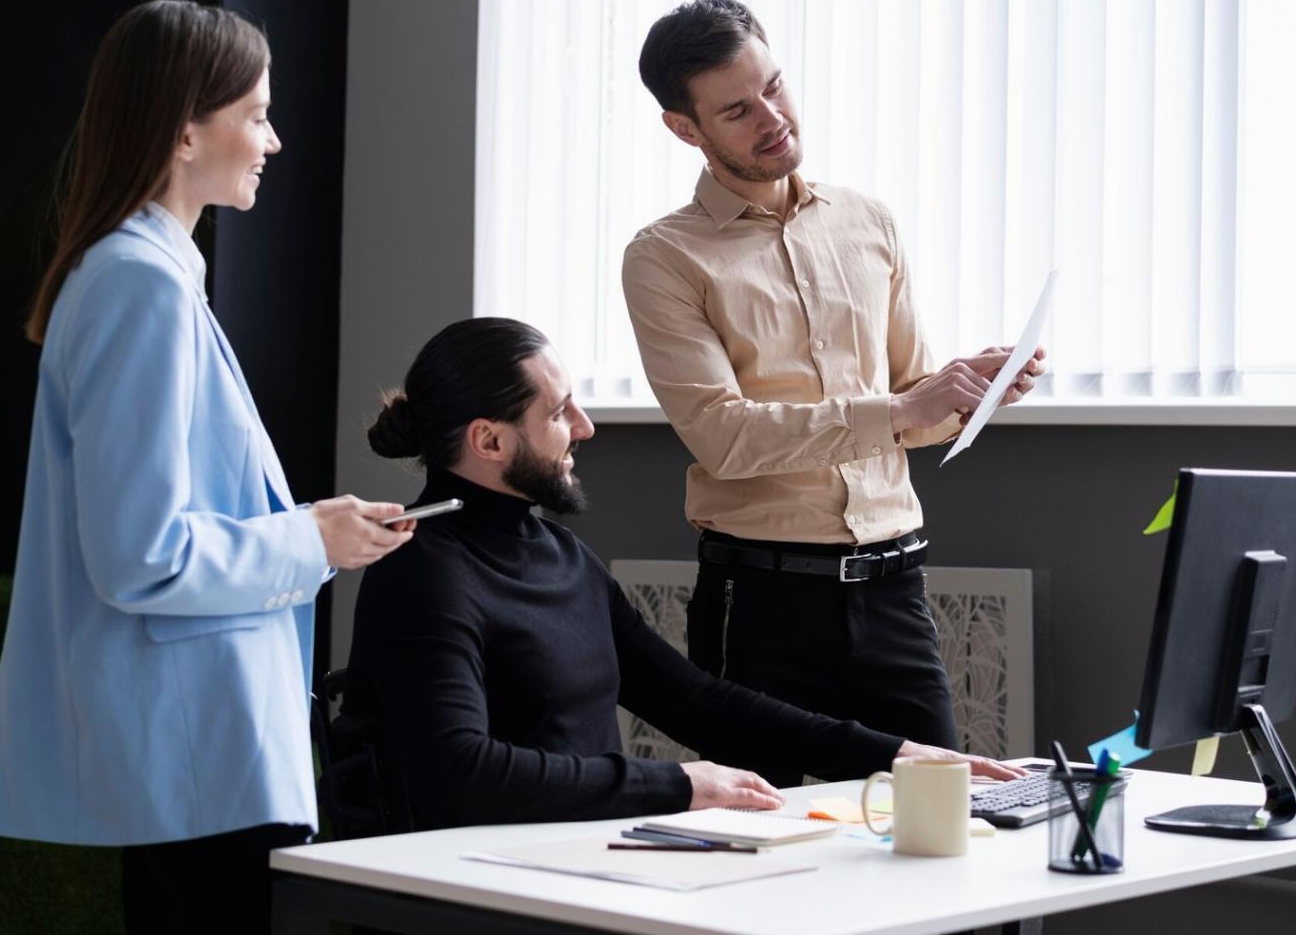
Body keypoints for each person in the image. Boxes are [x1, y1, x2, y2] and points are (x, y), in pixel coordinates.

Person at [0, 0, 414, 934]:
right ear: (182, 131)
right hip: (198, 753)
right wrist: (309, 540)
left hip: (201, 750)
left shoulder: (142, 275)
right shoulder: (138, 284)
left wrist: (311, 530)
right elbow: (141, 555)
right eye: (254, 114)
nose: (274, 139)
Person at [342, 318, 1022, 833]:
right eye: (557, 412)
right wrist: (679, 785)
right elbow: (459, 775)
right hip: (483, 878)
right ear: (488, 441)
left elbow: (697, 701)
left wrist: (899, 752)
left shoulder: (561, 556)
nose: (584, 428)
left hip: (583, 855)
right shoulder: (419, 570)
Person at [621, 0, 1045, 787]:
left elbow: (909, 410)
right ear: (687, 130)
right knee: (765, 849)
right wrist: (904, 409)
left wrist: (966, 393)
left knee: (938, 825)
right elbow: (722, 436)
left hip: (895, 592)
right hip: (760, 603)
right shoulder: (664, 258)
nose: (773, 118)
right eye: (738, 111)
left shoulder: (867, 222)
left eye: (775, 87)